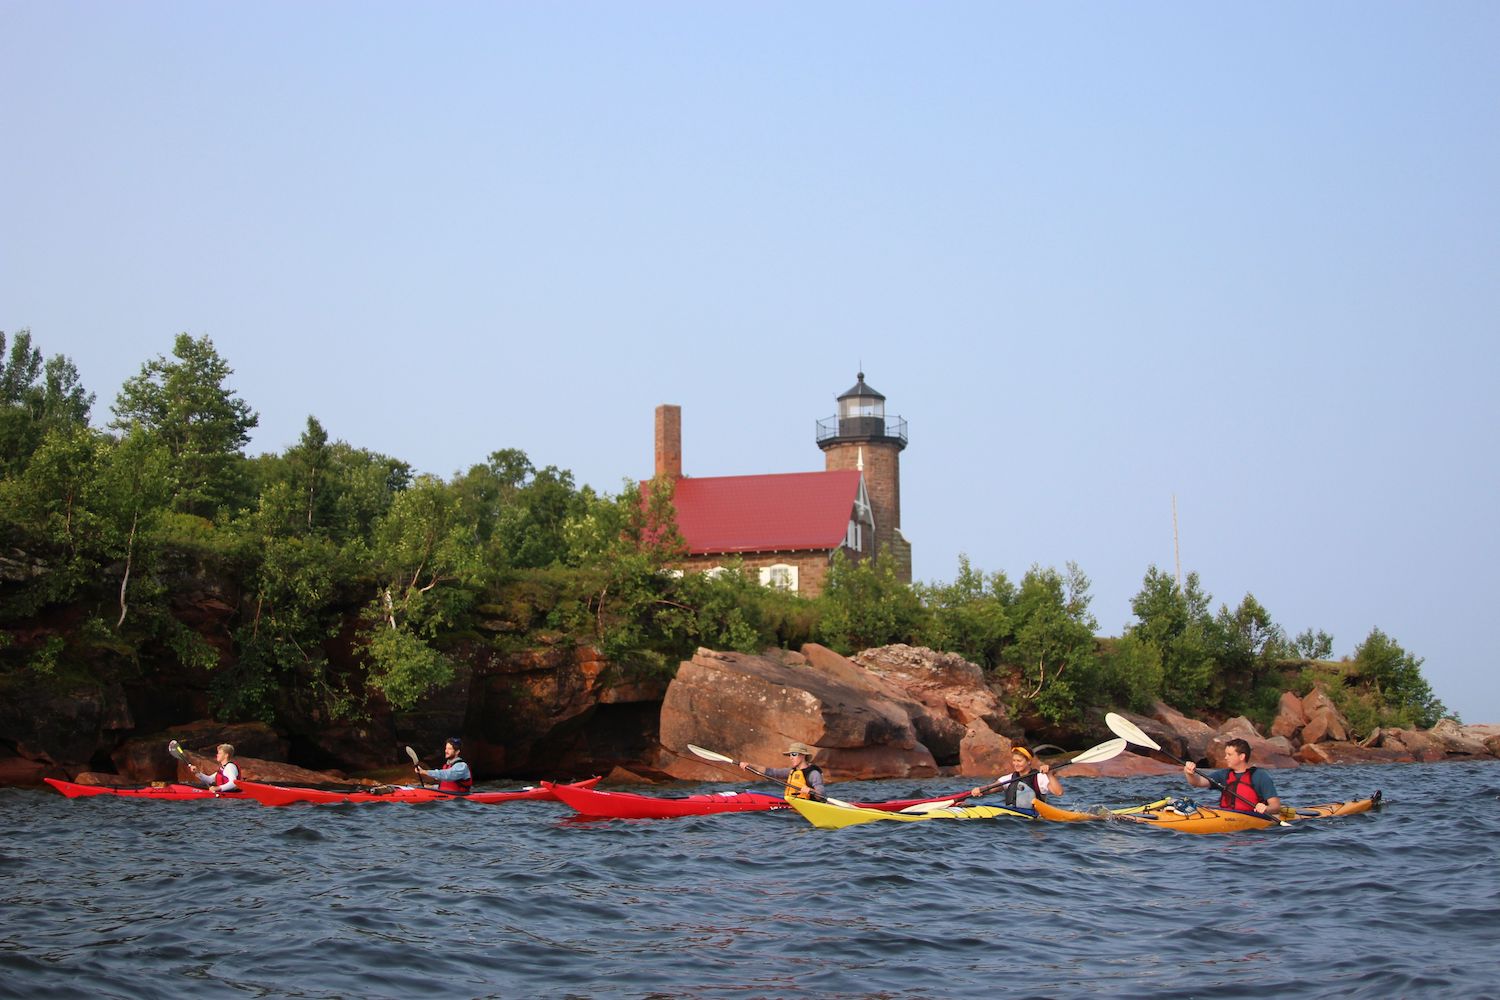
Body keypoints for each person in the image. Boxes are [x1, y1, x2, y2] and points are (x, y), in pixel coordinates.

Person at [1184, 738, 1281, 814]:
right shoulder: (1223, 775)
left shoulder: (1260, 776)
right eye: (1226, 754)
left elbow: (1275, 806)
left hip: (1252, 818)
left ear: (1242, 757)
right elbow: (1197, 782)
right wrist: (1189, 773)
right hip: (1227, 817)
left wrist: (1266, 809)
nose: (1225, 757)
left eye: (1229, 754)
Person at [968, 745, 1061, 808]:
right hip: (1013, 820)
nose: (1015, 764)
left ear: (1028, 761)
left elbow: (1059, 792)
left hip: (1033, 818)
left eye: (1019, 761)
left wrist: (1049, 774)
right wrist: (980, 790)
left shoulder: (1039, 778)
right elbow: (991, 788)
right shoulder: (1009, 778)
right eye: (1014, 760)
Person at [739, 741, 826, 802]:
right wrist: (749, 765)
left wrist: (811, 791)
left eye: (794, 754)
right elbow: (770, 772)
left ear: (803, 755)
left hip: (807, 808)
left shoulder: (813, 774)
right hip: (792, 806)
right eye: (789, 755)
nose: (791, 757)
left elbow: (821, 795)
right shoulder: (791, 772)